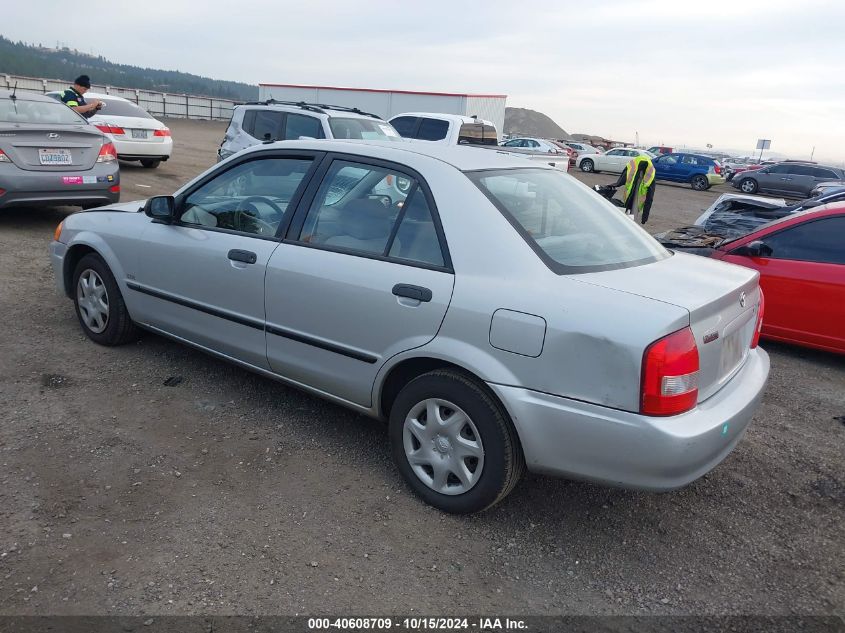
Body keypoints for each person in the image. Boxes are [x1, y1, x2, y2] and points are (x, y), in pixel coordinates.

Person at [612, 154, 656, 224]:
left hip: (632, 202)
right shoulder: (649, 172)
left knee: (627, 220)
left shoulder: (633, 165)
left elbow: (622, 179)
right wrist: (645, 217)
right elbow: (650, 198)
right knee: (629, 220)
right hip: (634, 203)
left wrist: (615, 184)